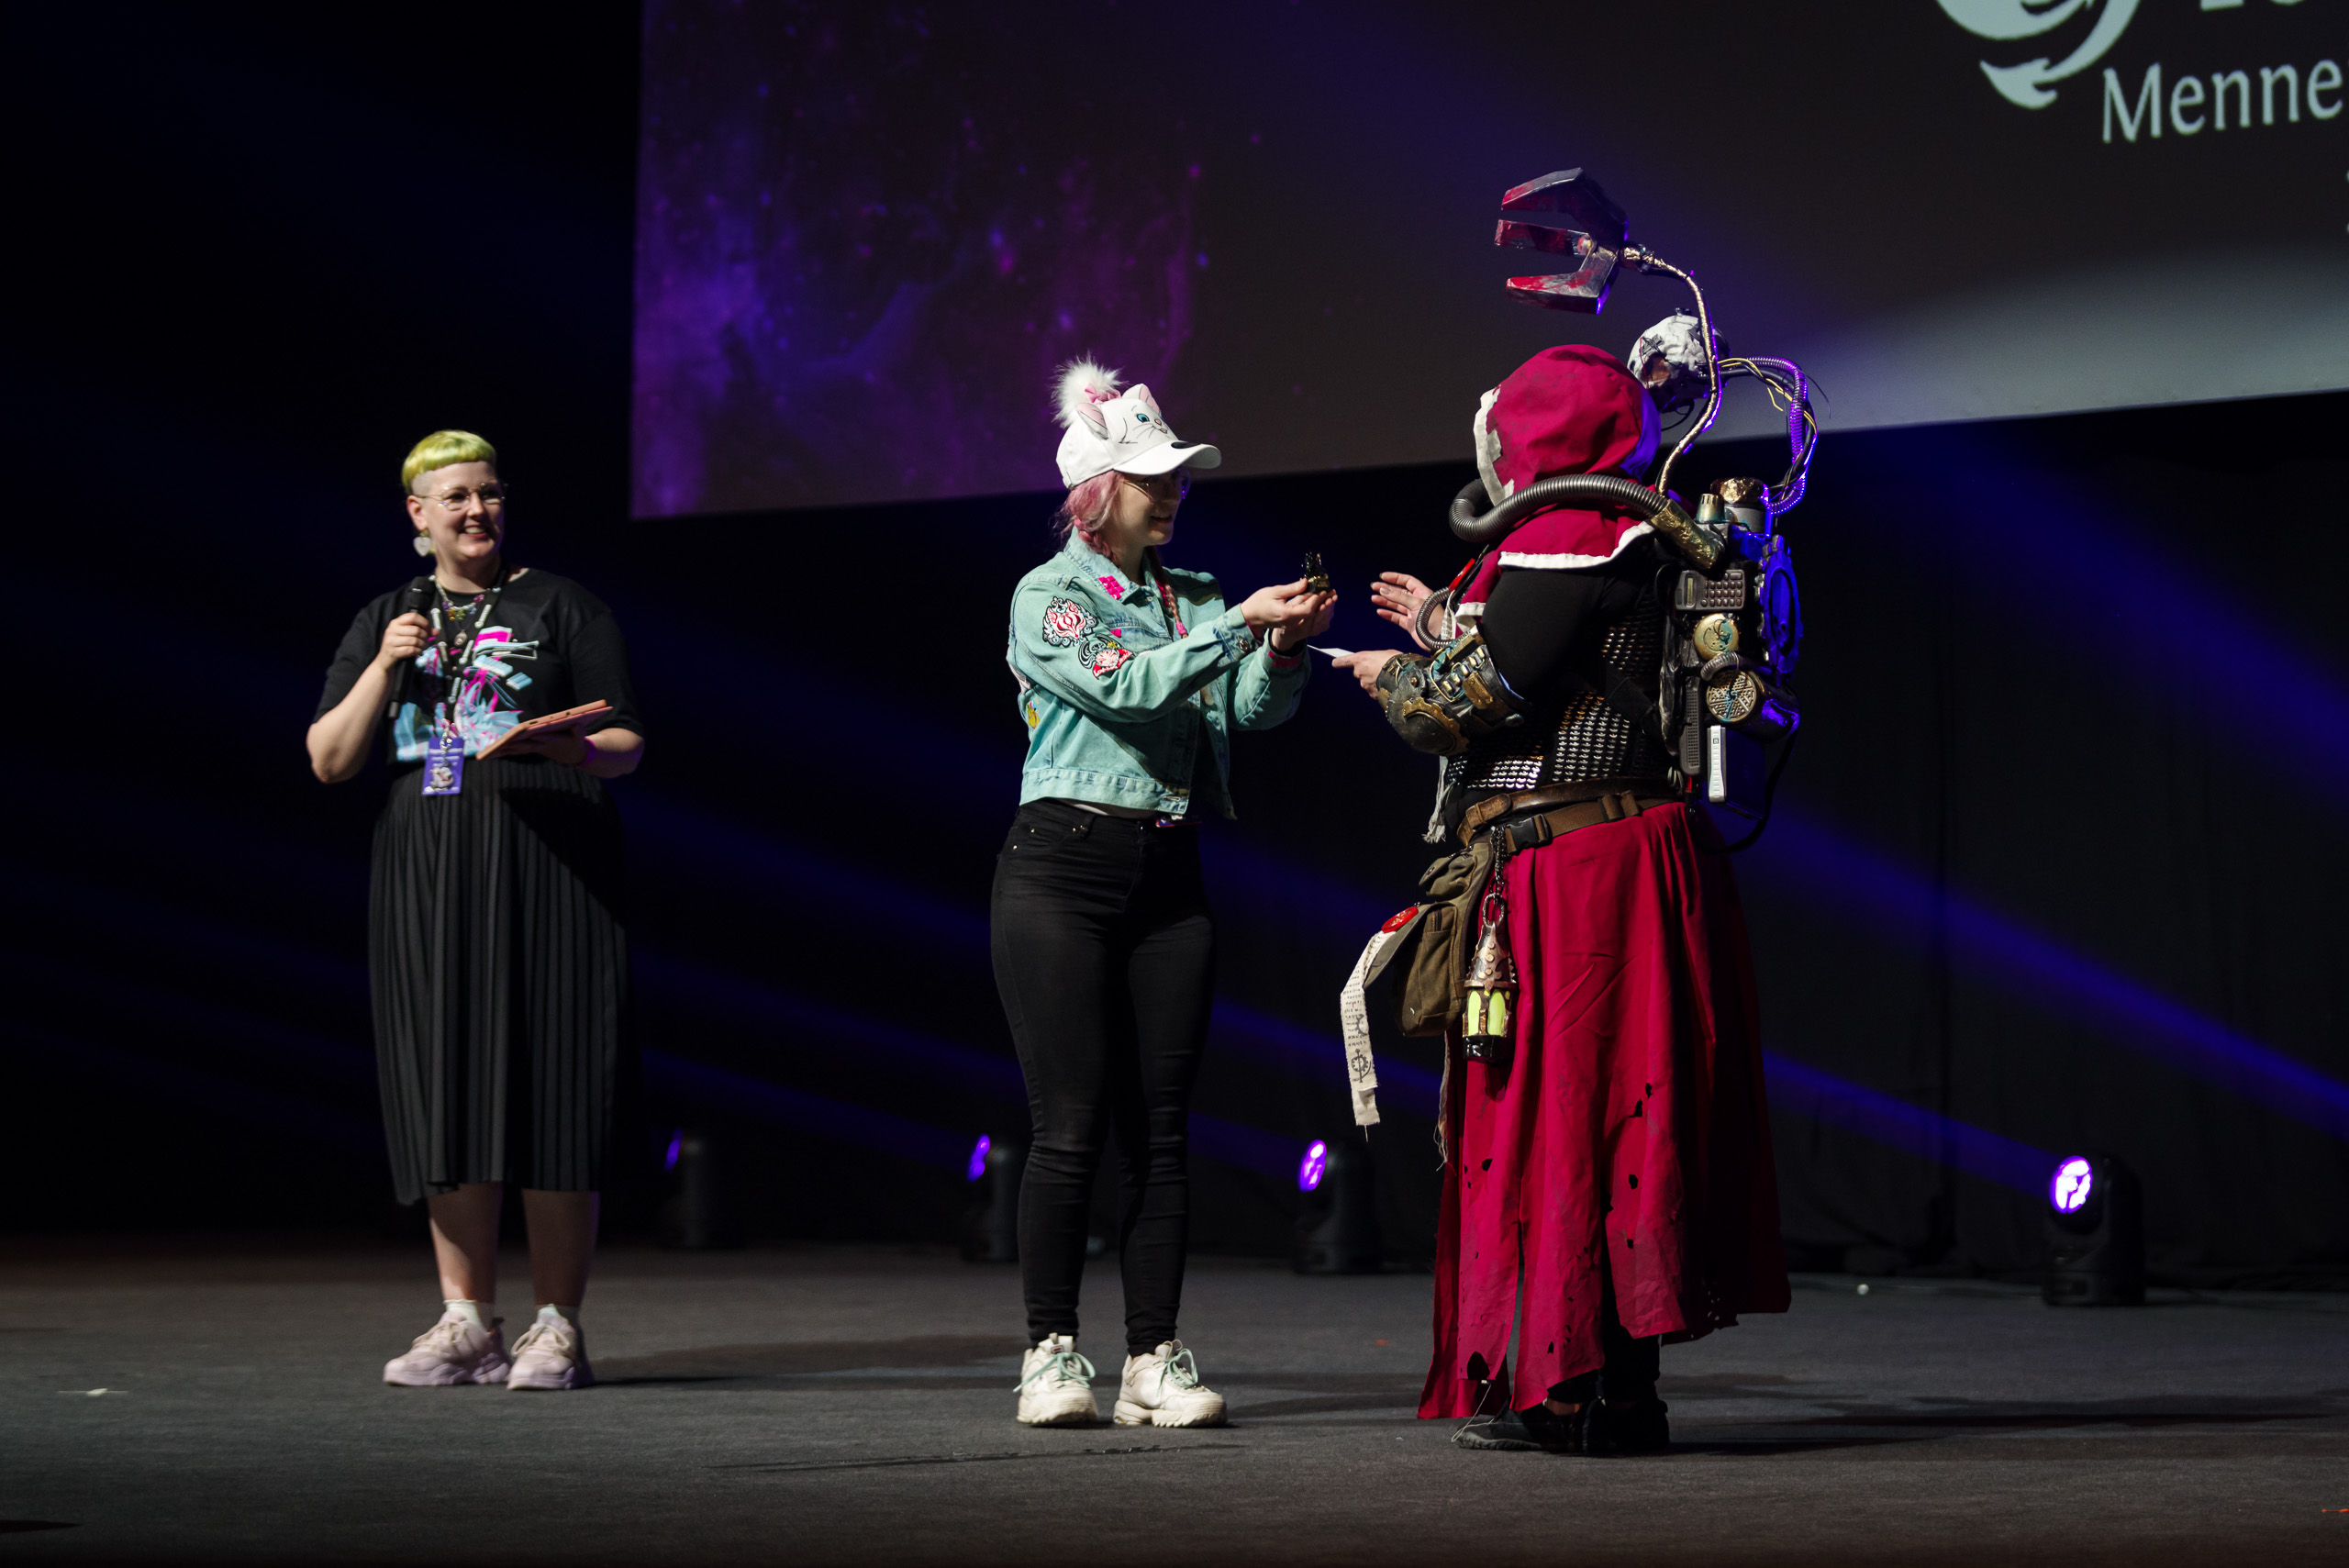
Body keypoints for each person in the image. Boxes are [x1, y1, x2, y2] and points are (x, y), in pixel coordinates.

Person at [1333, 346, 1787, 1453]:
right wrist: (1441, 631)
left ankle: (1574, 1388)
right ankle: (1611, 1388)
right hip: (1627, 856)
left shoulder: (1570, 539)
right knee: (1621, 1110)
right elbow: (1553, 666)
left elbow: (1464, 707)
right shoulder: (1643, 534)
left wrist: (1393, 679)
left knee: (1565, 1115)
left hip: (1577, 872)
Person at [994, 361, 1335, 1428]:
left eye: (1176, 475)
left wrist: (1279, 649)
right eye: (1152, 476)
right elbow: (1125, 685)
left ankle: (1152, 1354)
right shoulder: (1049, 595)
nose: (1172, 490)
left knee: (1162, 1127)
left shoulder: (1192, 593)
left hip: (1169, 872)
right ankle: (1050, 1351)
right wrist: (1239, 626)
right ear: (1096, 492)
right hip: (1061, 867)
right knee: (1069, 1124)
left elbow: (1246, 711)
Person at [307, 429, 646, 1393]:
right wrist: (384, 666)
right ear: (418, 514)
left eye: (489, 492)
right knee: (443, 1078)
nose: (476, 510)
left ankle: (557, 1324)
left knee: (555, 1078)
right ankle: (466, 1319)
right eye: (454, 496)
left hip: (552, 850)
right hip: (428, 860)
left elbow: (626, 742)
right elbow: (329, 758)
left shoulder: (562, 603)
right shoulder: (388, 616)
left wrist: (565, 747)